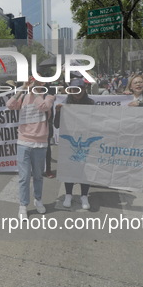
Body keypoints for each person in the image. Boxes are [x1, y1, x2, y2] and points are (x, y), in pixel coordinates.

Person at [6, 77, 56, 219]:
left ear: (43, 83)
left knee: (38, 175)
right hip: (24, 142)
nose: (34, 84)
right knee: (24, 177)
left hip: (40, 143)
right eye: (33, 81)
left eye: (37, 82)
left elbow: (44, 107)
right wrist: (22, 88)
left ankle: (38, 200)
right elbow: (9, 104)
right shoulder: (24, 96)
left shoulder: (49, 96)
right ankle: (23, 205)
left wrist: (34, 92)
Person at [54, 78, 94, 209]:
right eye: (74, 89)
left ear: (84, 89)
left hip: (85, 142)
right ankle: (68, 194)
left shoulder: (91, 103)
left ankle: (84, 195)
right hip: (69, 142)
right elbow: (56, 125)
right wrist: (58, 112)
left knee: (85, 168)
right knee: (69, 166)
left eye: (80, 89)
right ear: (70, 90)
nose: (77, 92)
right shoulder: (65, 104)